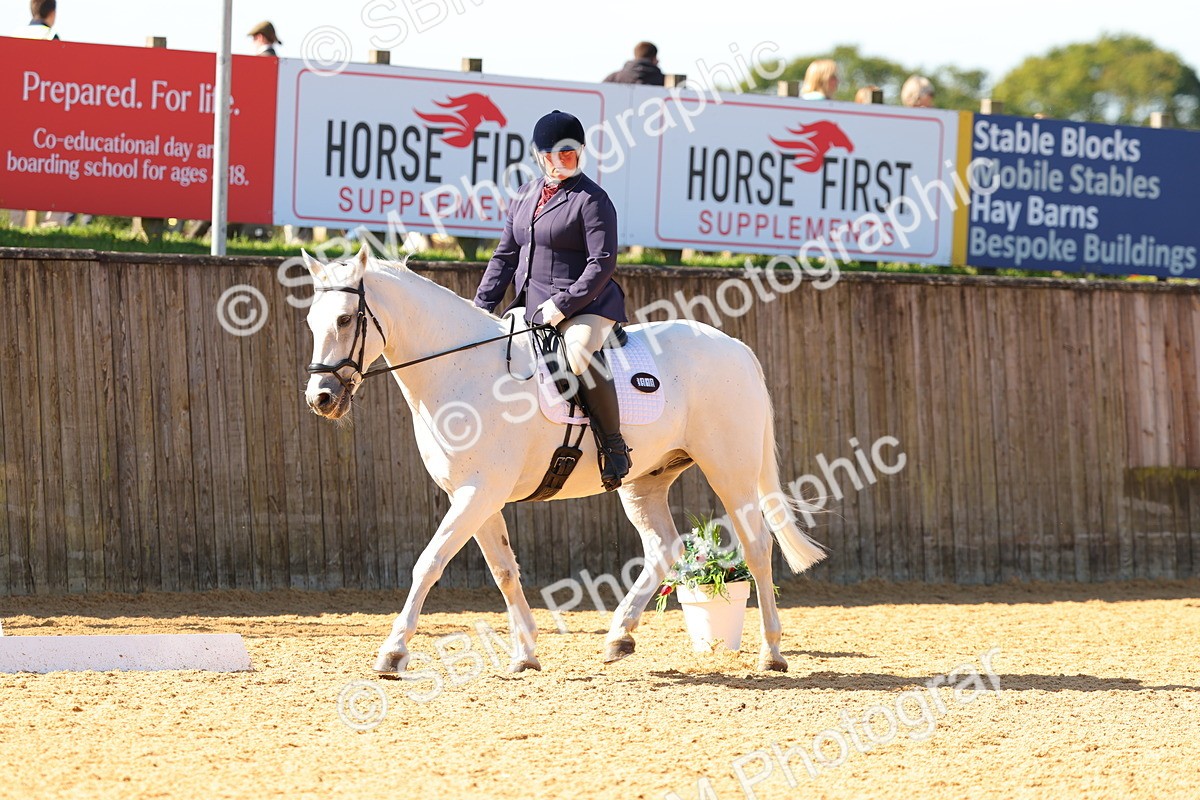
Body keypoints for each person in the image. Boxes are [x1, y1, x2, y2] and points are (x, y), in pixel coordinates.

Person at [473, 110, 632, 491]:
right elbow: (505, 257)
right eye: (554, 155)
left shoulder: (592, 199)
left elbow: (602, 263)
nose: (562, 162)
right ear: (537, 155)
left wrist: (563, 304)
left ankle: (613, 445)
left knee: (577, 356)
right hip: (530, 304)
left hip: (586, 304)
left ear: (580, 152)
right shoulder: (525, 196)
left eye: (570, 154)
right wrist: (479, 308)